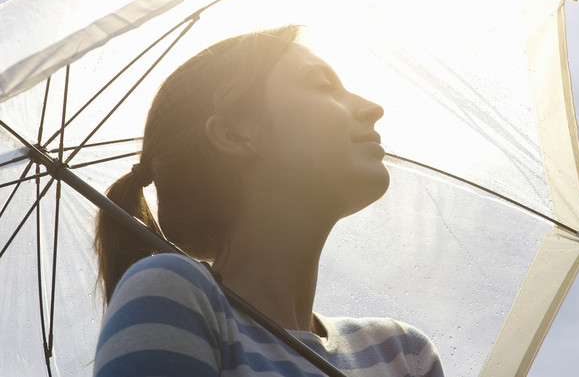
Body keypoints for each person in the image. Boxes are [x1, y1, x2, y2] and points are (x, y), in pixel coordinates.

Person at [92, 26, 444, 377]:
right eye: (322, 85)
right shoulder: (172, 297)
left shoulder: (403, 353)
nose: (372, 108)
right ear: (235, 133)